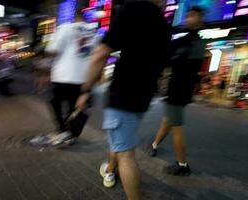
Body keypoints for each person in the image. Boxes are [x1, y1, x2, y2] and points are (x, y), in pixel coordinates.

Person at [75, 0, 170, 199]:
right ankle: (109, 169)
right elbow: (162, 67)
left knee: (126, 155)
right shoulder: (163, 23)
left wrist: (85, 90)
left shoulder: (133, 9)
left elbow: (100, 53)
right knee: (121, 141)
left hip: (123, 93)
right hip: (143, 97)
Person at [150, 6, 206, 176]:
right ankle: (154, 144)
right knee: (168, 121)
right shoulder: (187, 39)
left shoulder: (195, 42)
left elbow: (189, 68)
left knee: (176, 127)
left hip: (179, 90)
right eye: (187, 16)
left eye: (192, 16)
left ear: (200, 20)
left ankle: (182, 165)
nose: (188, 19)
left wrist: (171, 60)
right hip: (176, 89)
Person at [45, 10, 101, 146]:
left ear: (74, 17)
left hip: (64, 75)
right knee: (74, 107)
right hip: (83, 78)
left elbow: (52, 50)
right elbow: (96, 56)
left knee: (55, 102)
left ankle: (63, 130)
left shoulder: (65, 28)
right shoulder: (94, 33)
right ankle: (70, 134)